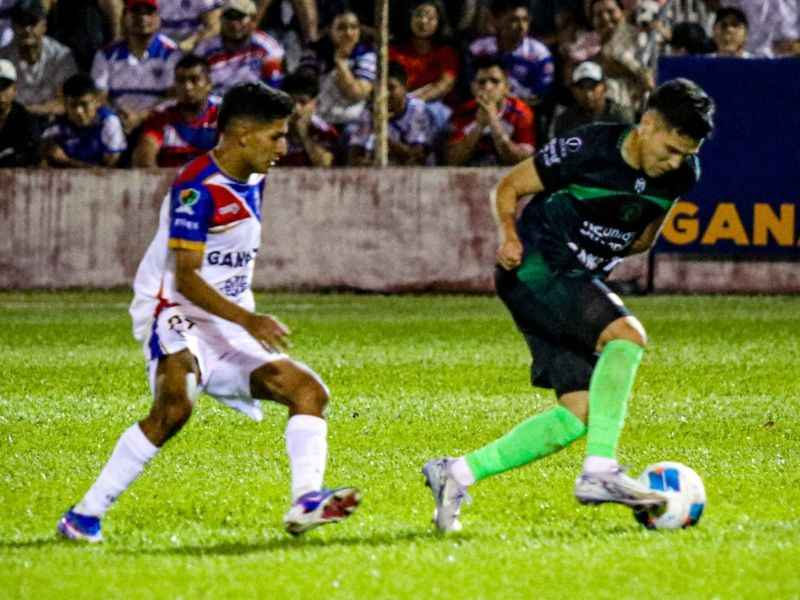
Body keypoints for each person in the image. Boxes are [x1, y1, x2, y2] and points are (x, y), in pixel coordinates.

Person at [57, 81, 361, 543]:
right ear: (243, 135)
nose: (285, 145)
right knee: (176, 406)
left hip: (224, 319)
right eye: (277, 136)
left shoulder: (254, 177)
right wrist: (249, 320)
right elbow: (186, 278)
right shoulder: (197, 189)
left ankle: (306, 500)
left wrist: (239, 317)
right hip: (173, 310)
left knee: (309, 391)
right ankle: (84, 517)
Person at [423, 78, 715, 532]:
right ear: (648, 124)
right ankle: (600, 470)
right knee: (627, 336)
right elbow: (509, 186)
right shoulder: (588, 147)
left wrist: (603, 248)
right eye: (672, 148)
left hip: (572, 276)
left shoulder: (682, 174)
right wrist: (509, 235)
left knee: (578, 412)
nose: (676, 161)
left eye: (686, 154)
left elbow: (643, 236)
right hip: (536, 265)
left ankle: (455, 474)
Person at [90, 0, 181, 136]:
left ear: (158, 18)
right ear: (125, 17)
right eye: (136, 12)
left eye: (149, 13)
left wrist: (142, 116)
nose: (142, 18)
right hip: (117, 122)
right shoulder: (105, 55)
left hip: (156, 123)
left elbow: (174, 97)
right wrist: (118, 114)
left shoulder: (172, 53)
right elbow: (99, 96)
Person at [133, 54, 220, 168]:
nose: (187, 86)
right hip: (170, 182)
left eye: (194, 80)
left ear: (209, 84)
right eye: (181, 80)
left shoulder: (223, 114)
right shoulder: (162, 115)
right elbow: (145, 154)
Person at [446, 56, 535, 167]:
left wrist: (493, 121)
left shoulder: (521, 112)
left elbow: (523, 162)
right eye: (481, 82)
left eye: (495, 81)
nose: (488, 87)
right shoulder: (463, 112)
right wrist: (478, 126)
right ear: (473, 88)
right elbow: (452, 161)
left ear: (506, 87)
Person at [467, 0, 555, 107]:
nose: (522, 26)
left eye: (525, 20)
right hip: (482, 106)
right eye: (514, 20)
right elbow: (469, 85)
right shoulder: (477, 49)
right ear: (496, 21)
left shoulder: (539, 53)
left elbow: (540, 96)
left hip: (523, 112)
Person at [0, 0, 78, 118]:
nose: (27, 29)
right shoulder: (3, 58)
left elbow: (67, 102)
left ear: (44, 26)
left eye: (32, 22)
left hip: (52, 122)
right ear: (13, 26)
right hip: (13, 124)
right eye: (21, 23)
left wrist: (28, 111)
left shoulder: (61, 56)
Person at [348, 61, 435, 167]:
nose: (385, 94)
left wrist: (382, 134)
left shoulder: (417, 109)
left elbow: (417, 156)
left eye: (391, 87)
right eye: (380, 88)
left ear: (405, 88)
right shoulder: (369, 111)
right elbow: (354, 155)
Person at [194, 0, 285, 96]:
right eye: (229, 17)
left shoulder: (266, 46)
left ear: (252, 19)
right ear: (220, 19)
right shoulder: (205, 49)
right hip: (217, 105)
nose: (234, 24)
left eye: (239, 17)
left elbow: (274, 85)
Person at [41, 73, 127, 168]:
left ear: (97, 102)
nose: (79, 111)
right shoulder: (56, 126)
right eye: (73, 105)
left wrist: (66, 161)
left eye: (84, 104)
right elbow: (44, 160)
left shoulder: (109, 122)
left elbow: (109, 171)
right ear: (65, 104)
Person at [551, 60, 632, 137]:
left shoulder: (620, 116)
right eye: (582, 87)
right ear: (574, 91)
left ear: (604, 87)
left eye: (593, 87)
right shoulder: (565, 120)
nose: (588, 94)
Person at [278, 67, 339, 168]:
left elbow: (326, 165)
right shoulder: (275, 130)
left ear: (314, 104)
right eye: (291, 102)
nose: (296, 108)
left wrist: (304, 136)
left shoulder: (325, 131)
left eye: (303, 102)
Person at [0, 58, 40, 167]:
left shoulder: (25, 120)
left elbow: (31, 155)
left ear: (14, 89)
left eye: (4, 86)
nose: (0, 93)